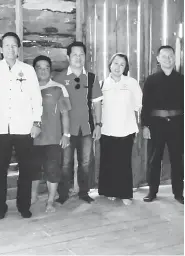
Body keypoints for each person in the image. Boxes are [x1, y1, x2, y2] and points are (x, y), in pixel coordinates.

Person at [0, 32, 42, 219]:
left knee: (26, 169)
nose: (11, 49)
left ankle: (23, 206)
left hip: (24, 128)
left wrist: (36, 122)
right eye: (7, 45)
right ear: (1, 49)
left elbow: (36, 98)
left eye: (14, 45)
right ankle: (0, 207)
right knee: (0, 170)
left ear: (18, 48)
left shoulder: (28, 70)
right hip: (0, 129)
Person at [53, 41, 103, 204]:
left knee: (86, 163)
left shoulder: (91, 77)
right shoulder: (59, 78)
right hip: (66, 129)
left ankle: (84, 192)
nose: (78, 58)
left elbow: (96, 103)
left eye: (81, 54)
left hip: (87, 128)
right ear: (68, 57)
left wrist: (98, 125)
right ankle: (63, 194)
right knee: (65, 163)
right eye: (74, 54)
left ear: (85, 57)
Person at [98, 53, 142, 205]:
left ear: (126, 67)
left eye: (122, 64)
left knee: (123, 163)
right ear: (110, 65)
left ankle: (125, 194)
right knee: (108, 162)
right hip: (107, 129)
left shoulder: (131, 83)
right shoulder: (102, 84)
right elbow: (97, 107)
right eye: (115, 63)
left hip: (126, 128)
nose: (118, 67)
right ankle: (110, 191)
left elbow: (139, 105)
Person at [141, 45, 184, 204]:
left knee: (177, 160)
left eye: (171, 55)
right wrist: (145, 126)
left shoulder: (182, 80)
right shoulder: (151, 80)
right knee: (154, 159)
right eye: (164, 56)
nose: (168, 59)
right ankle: (152, 191)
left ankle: (179, 193)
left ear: (175, 58)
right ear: (158, 59)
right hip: (156, 125)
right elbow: (145, 105)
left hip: (178, 125)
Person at [30, 55, 71, 212]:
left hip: (53, 138)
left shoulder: (59, 88)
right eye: (39, 67)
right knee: (33, 169)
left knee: (52, 171)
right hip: (33, 138)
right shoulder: (28, 89)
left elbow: (65, 113)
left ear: (50, 70)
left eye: (46, 67)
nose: (43, 70)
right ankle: (33, 197)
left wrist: (66, 134)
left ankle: (50, 201)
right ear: (34, 70)